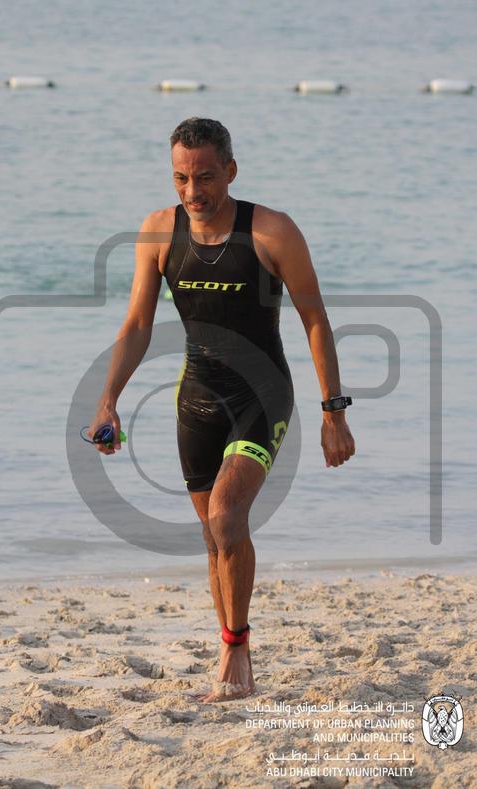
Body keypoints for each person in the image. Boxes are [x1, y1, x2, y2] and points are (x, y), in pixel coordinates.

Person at [89, 117, 355, 703]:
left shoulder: (272, 231)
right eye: (181, 178)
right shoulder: (159, 232)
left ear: (230, 171)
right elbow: (137, 325)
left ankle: (236, 648)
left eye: (205, 177)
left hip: (262, 394)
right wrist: (108, 400)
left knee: (227, 516)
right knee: (214, 538)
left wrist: (333, 412)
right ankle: (230, 646)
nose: (193, 192)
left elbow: (315, 318)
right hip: (197, 399)